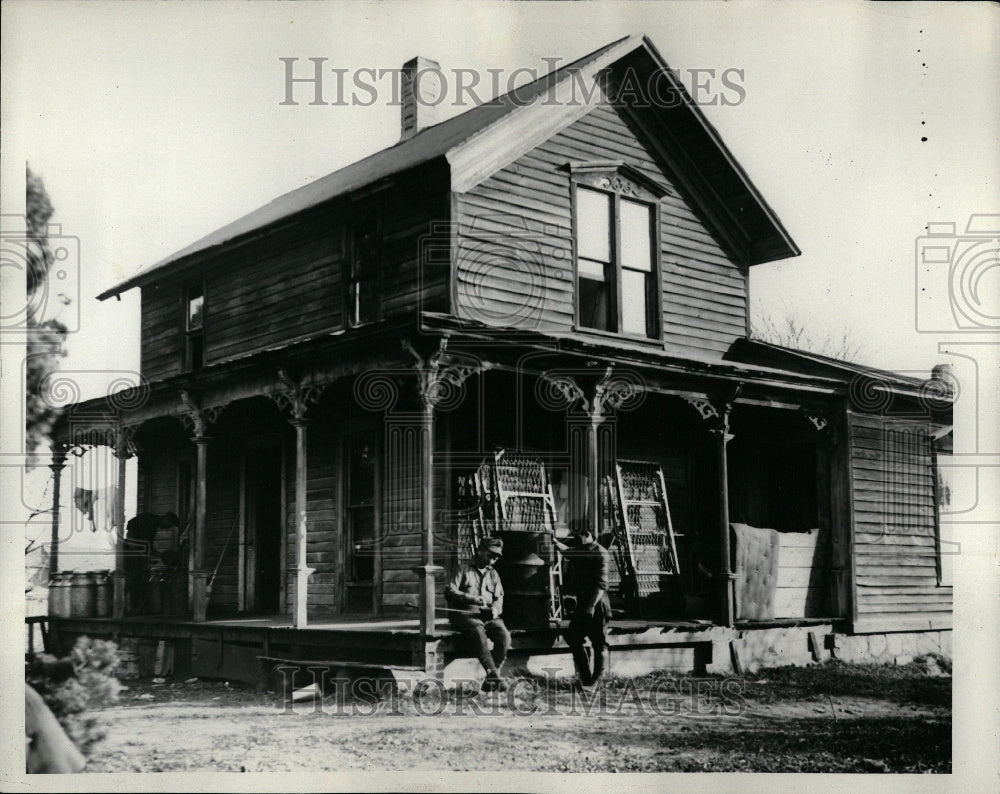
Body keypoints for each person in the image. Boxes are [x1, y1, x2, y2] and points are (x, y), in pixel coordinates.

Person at [444, 537, 511, 692]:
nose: (492, 560)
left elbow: (499, 598)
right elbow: (449, 591)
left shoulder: (494, 574)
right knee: (478, 630)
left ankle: (490, 680)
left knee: (504, 636)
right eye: (490, 555)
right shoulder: (463, 568)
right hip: (464, 614)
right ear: (480, 551)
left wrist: (495, 609)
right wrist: (472, 598)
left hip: (487, 616)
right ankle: (493, 674)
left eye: (495, 557)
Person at [555, 519, 612, 690]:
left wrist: (591, 606)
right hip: (583, 601)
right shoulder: (582, 549)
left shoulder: (600, 553)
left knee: (598, 642)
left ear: (587, 535)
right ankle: (585, 679)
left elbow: (601, 584)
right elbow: (568, 552)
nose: (574, 539)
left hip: (597, 602)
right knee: (573, 637)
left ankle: (596, 681)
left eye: (577, 536)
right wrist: (555, 542)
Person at [123, 511, 178, 615]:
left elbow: (148, 548)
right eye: (168, 525)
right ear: (165, 519)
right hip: (130, 551)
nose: (167, 528)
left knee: (138, 579)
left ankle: (134, 608)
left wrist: (161, 556)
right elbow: (131, 525)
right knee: (133, 577)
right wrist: (132, 541)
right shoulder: (149, 518)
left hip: (137, 552)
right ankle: (118, 603)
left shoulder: (153, 526)